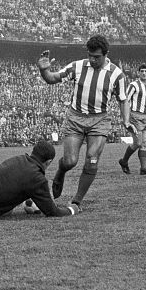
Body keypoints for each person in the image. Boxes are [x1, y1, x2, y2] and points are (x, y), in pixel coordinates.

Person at [37, 35, 134, 207]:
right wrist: (44, 70)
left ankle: (77, 200)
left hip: (100, 120)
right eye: (90, 55)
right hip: (76, 118)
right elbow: (52, 78)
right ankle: (61, 171)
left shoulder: (116, 75)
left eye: (96, 57)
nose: (92, 60)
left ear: (106, 55)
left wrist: (126, 120)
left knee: (92, 159)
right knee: (70, 161)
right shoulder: (77, 66)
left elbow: (123, 99)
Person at [118, 64, 146, 175]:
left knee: (143, 143)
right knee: (138, 142)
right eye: (142, 71)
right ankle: (124, 161)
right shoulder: (133, 85)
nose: (144, 73)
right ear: (138, 73)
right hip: (135, 116)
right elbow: (125, 100)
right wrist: (125, 117)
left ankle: (144, 169)